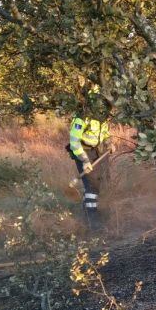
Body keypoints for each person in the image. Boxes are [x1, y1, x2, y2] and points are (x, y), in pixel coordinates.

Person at [68, 91, 114, 230]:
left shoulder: (104, 118)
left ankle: (88, 210)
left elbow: (105, 134)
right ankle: (92, 220)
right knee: (92, 185)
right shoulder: (81, 118)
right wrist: (85, 160)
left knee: (101, 182)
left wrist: (109, 143)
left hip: (97, 151)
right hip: (82, 151)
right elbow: (74, 142)